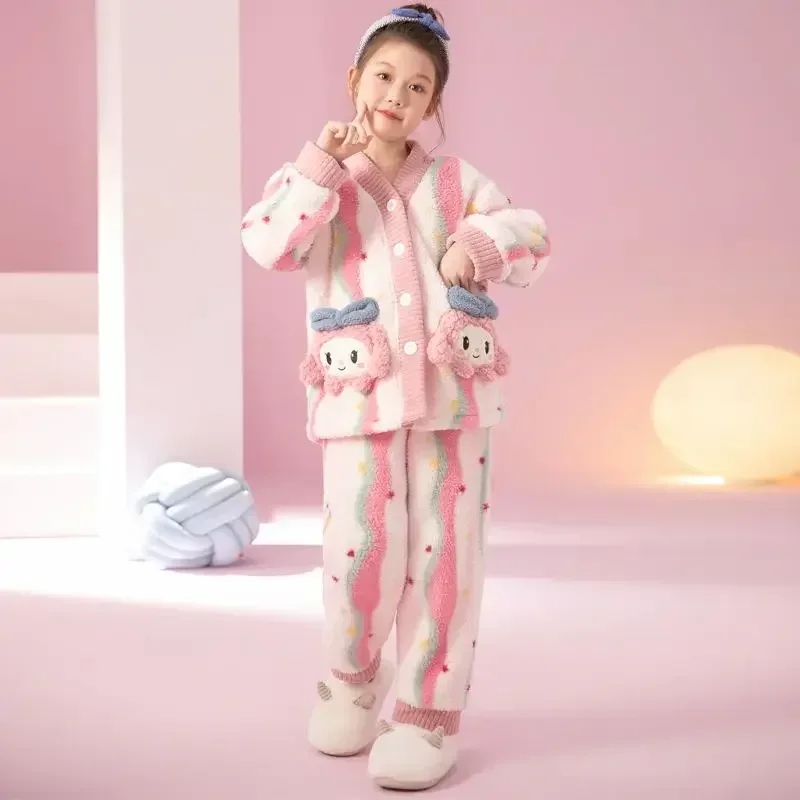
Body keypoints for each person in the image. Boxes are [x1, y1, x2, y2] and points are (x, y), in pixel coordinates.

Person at [240, 4, 550, 790]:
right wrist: (320, 164)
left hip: (454, 402)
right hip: (358, 399)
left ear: (432, 103)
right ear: (355, 80)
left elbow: (533, 237)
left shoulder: (457, 182)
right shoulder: (320, 179)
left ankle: (425, 712)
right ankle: (352, 680)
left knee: (446, 560)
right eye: (384, 76)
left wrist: (482, 242)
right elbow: (270, 243)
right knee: (358, 553)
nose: (396, 95)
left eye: (418, 86)